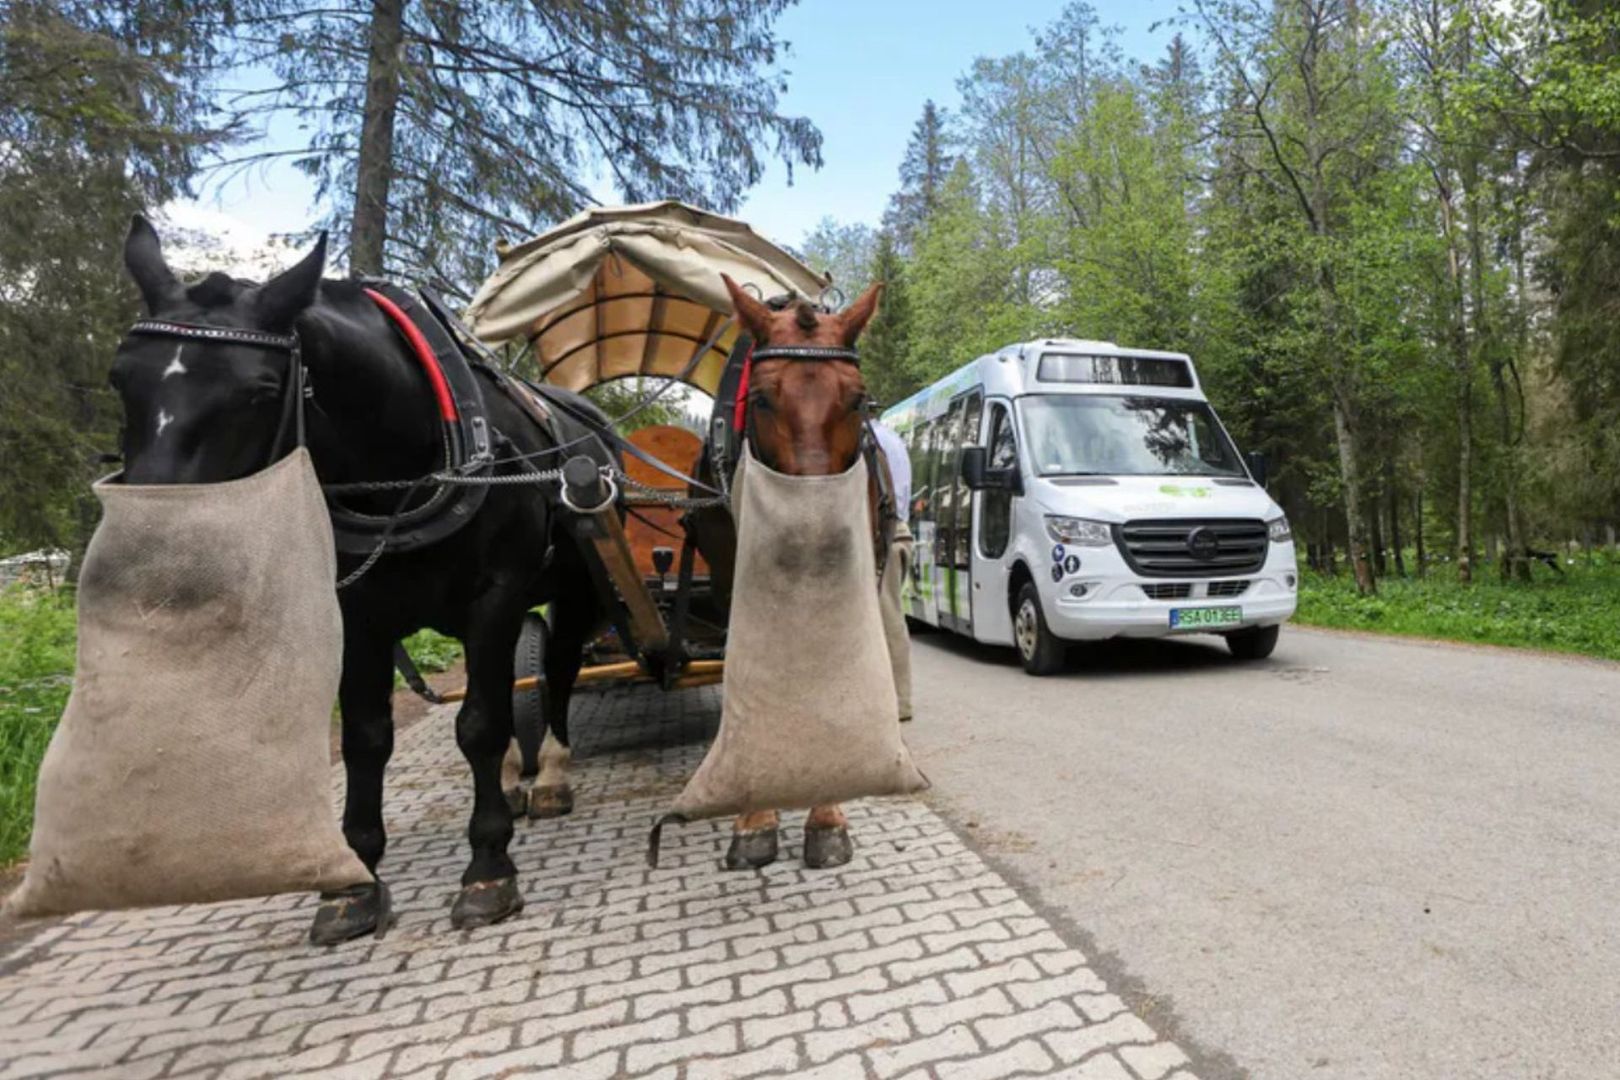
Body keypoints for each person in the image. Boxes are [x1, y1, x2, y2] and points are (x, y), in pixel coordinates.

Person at [870, 420, 914, 723]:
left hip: (881, 533)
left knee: (886, 620)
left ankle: (898, 704)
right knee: (891, 618)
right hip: (899, 531)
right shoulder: (892, 438)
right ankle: (899, 701)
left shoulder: (870, 441)